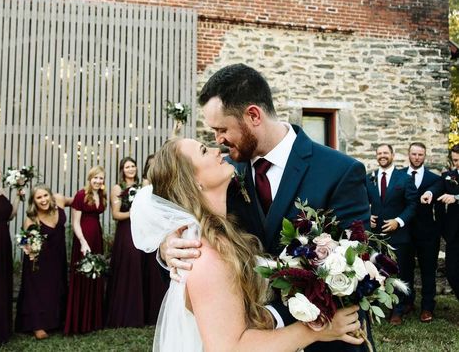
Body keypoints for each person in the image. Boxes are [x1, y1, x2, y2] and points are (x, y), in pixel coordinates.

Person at [161, 64, 372, 352]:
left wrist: (274, 317)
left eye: (222, 129)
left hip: (328, 340)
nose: (217, 141)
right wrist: (169, 245)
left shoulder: (340, 171)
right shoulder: (225, 175)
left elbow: (354, 265)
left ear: (253, 116)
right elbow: (178, 205)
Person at [131, 138, 364, 352]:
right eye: (204, 150)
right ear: (194, 182)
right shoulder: (206, 256)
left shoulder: (224, 232)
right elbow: (231, 348)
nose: (217, 149)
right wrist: (318, 330)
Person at [106, 156, 167, 327]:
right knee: (129, 270)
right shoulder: (118, 188)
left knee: (145, 269)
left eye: (133, 166)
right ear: (122, 170)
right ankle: (127, 314)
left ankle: (146, 314)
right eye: (127, 167)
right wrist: (134, 212)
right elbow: (116, 214)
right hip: (126, 232)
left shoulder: (143, 186)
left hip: (142, 230)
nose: (131, 169)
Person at [366, 144, 417, 325]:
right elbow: (363, 201)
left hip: (399, 236)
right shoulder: (369, 178)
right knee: (376, 271)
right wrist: (367, 215)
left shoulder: (404, 179)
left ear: (393, 155)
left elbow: (413, 205)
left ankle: (398, 309)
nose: (382, 156)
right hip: (376, 236)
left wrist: (398, 221)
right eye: (379, 153)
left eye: (385, 153)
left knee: (399, 272)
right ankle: (378, 307)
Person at [15, 185, 73, 339]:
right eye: (39, 197)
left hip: (58, 257)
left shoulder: (59, 201)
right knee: (38, 290)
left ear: (51, 195)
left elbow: (78, 201)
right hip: (39, 261)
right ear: (34, 201)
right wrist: (28, 250)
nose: (43, 200)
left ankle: (56, 320)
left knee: (57, 286)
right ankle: (37, 325)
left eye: (45, 195)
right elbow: (23, 240)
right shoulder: (31, 219)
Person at [399, 142, 443, 322]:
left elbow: (439, 196)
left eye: (420, 155)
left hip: (427, 233)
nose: (417, 157)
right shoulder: (399, 175)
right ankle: (407, 302)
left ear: (425, 156)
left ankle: (427, 307)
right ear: (408, 154)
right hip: (404, 232)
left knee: (428, 270)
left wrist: (431, 193)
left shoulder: (434, 179)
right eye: (414, 154)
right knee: (405, 270)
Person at [0, 159, 25, 347]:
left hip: (3, 242)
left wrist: (17, 196)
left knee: (2, 285)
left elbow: (9, 216)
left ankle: (1, 331)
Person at [64, 166, 107, 335]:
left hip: (97, 237)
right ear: (89, 179)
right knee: (83, 276)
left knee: (95, 275)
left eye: (101, 178)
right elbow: (75, 222)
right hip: (84, 239)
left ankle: (93, 320)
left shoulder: (101, 195)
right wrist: (83, 242)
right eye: (95, 178)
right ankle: (79, 322)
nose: (98, 181)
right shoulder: (81, 195)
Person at [436, 143, 459, 301]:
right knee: (452, 272)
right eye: (455, 160)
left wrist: (456, 198)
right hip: (454, 234)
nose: (457, 164)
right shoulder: (449, 176)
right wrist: (430, 193)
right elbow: (437, 187)